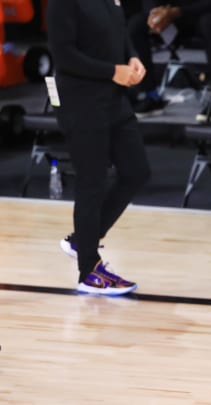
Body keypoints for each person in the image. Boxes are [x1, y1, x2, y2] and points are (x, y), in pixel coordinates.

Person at [47, 0, 151, 295]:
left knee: (137, 171)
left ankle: (83, 239)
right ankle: (88, 270)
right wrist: (111, 71)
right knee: (92, 181)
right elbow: (65, 56)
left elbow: (119, 33)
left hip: (114, 98)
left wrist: (132, 56)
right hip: (80, 102)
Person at [126, 0, 211, 118]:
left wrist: (176, 12)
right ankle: (151, 96)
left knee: (209, 22)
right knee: (137, 24)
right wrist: (160, 12)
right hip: (180, 16)